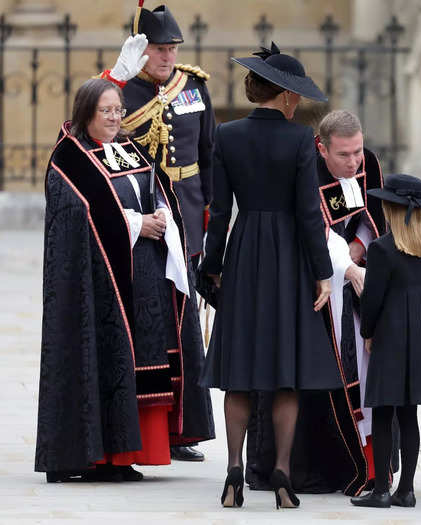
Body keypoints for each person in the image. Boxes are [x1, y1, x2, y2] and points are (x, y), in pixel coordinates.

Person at [35, 78, 215, 483]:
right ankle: (103, 457)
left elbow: (156, 190)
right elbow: (76, 214)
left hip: (146, 278)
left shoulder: (129, 149)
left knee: (148, 363)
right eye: (106, 111)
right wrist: (136, 224)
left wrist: (161, 217)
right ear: (86, 114)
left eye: (118, 110)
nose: (115, 118)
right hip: (102, 287)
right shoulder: (71, 158)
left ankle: (135, 452)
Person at [199, 43, 339, 509]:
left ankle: (234, 472)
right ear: (282, 95)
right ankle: (281, 474)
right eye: (295, 94)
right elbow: (307, 214)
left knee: (239, 373)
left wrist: (210, 267)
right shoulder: (300, 140)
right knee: (286, 375)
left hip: (242, 254)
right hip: (288, 260)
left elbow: (219, 212)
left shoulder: (228, 134)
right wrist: (322, 273)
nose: (298, 101)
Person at [244, 110, 390, 496]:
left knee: (355, 372)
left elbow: (371, 216)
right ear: (321, 148)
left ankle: (355, 464)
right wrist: (344, 266)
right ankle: (293, 469)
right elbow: (310, 227)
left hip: (352, 282)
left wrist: (358, 253)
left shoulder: (367, 163)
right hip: (309, 284)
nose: (354, 162)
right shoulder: (303, 167)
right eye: (344, 155)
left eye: (357, 151)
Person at [99, 3, 215, 462]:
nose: (167, 57)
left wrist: (209, 222)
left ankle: (182, 430)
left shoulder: (194, 86)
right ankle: (144, 426)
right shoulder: (119, 91)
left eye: (171, 49)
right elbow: (91, 137)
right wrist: (117, 79)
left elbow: (207, 156)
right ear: (140, 50)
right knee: (145, 326)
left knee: (184, 326)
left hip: (183, 216)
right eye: (159, 49)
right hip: (141, 214)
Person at [350, 174, 421, 508]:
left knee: (382, 412)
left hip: (391, 332)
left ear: (390, 209)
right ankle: (406, 490)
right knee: (409, 414)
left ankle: (381, 489)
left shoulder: (382, 248)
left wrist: (368, 332)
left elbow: (373, 299)